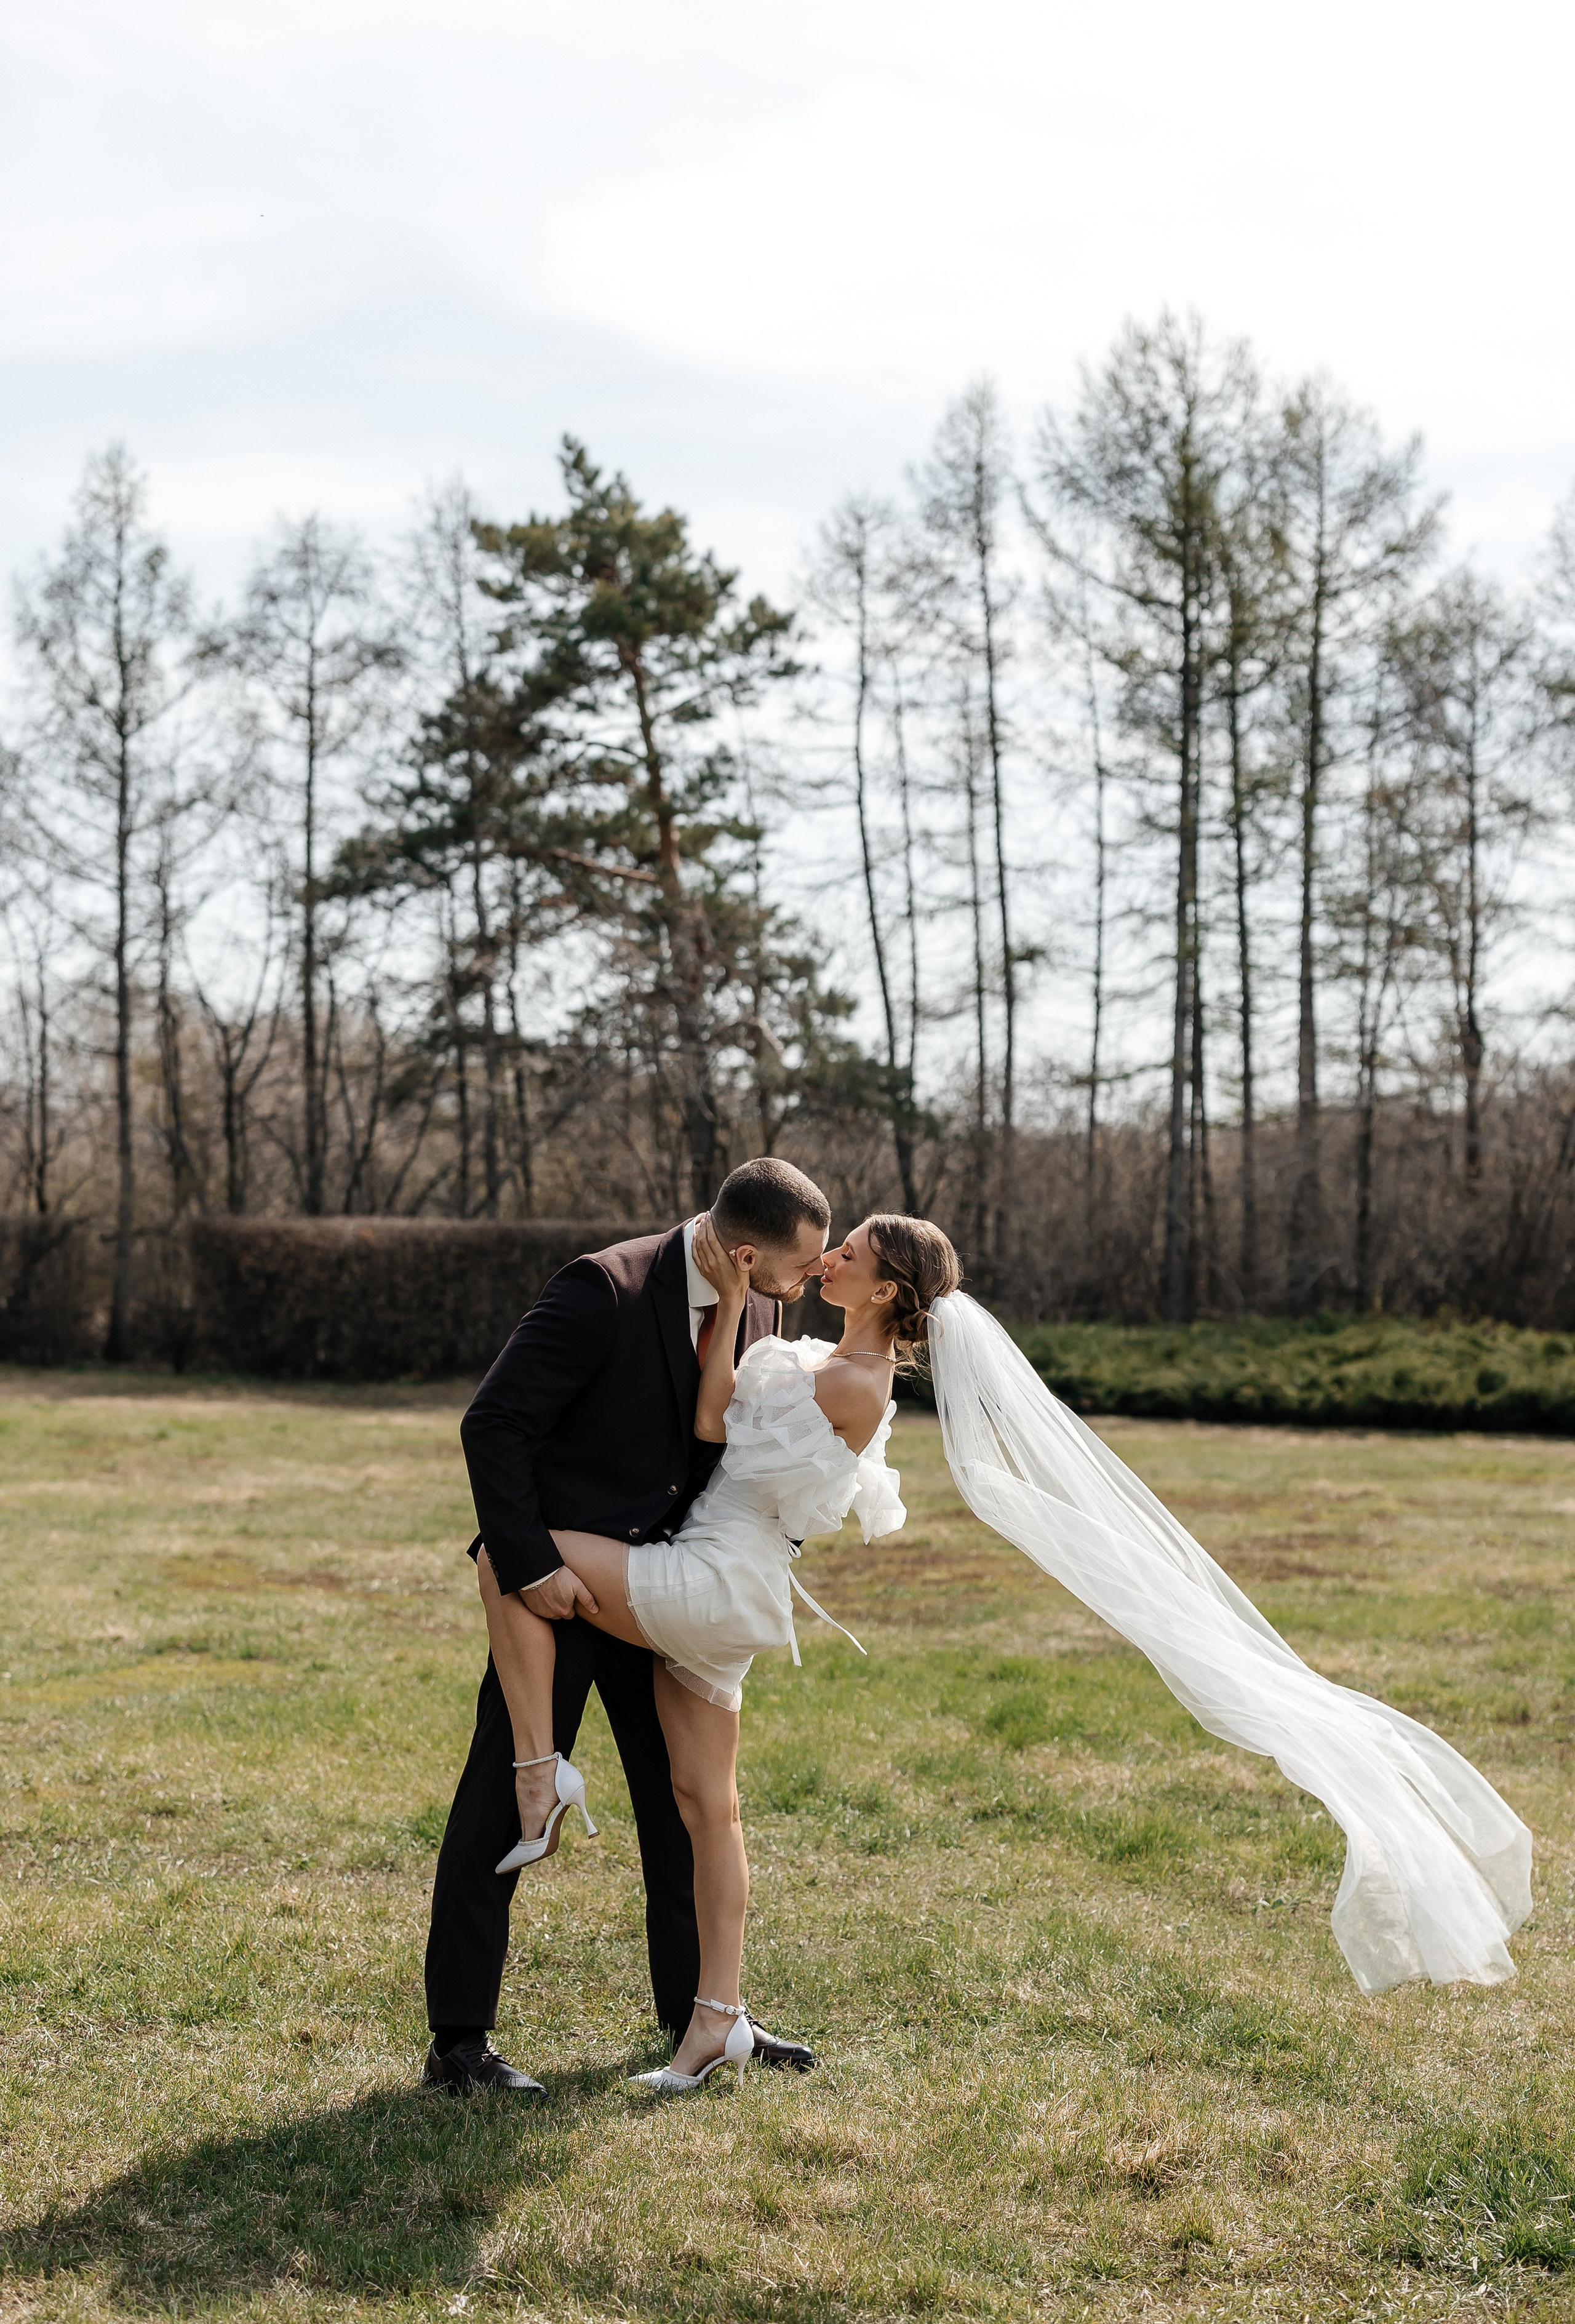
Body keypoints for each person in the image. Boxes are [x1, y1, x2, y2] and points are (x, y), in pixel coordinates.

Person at [478, 1208, 943, 2090]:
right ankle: (715, 2024)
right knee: (708, 1808)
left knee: (510, 1550)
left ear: (883, 1289)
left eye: (847, 1254)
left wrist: (729, 1303)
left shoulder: (854, 1379)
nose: (827, 1259)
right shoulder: (838, 1358)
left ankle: (540, 1772)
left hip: (717, 1576)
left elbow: (709, 1419)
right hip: (727, 1577)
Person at [420, 1157, 831, 2093]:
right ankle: (458, 2042)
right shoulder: (603, 1288)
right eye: (795, 1267)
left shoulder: (759, 1308)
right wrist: (530, 1565)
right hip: (563, 1589)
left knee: (684, 1811)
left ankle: (702, 2014)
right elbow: (494, 1426)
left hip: (669, 1595)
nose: (802, 1285)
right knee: (503, 1793)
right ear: (741, 1252)